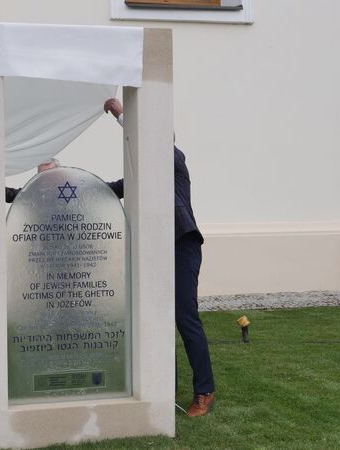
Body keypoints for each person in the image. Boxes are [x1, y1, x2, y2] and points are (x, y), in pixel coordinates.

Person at [103, 97, 216, 416]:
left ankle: (204, 391)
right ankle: (166, 386)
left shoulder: (174, 159)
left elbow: (157, 146)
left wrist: (121, 115)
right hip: (156, 250)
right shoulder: (144, 175)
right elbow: (111, 189)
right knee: (156, 317)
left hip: (182, 246)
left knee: (185, 317)